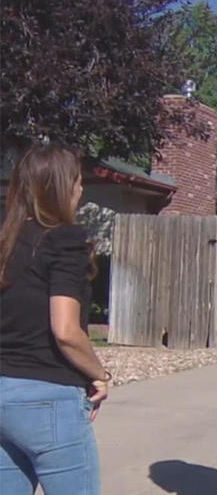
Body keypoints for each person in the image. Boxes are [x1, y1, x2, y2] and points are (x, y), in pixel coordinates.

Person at [0, 145, 111, 495]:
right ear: (63, 188)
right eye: (77, 181)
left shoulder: (6, 245)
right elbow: (65, 331)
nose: (81, 189)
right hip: (47, 398)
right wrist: (99, 374)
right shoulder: (64, 241)